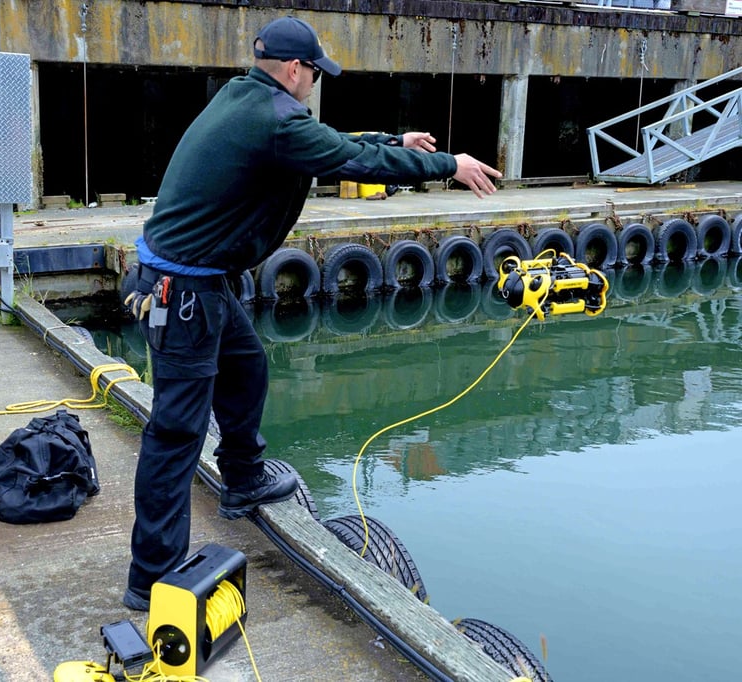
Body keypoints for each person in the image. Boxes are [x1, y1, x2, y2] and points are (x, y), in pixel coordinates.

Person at [122, 15, 503, 611]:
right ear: (296, 70)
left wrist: (393, 141)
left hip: (200, 286)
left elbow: (333, 143)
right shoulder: (275, 122)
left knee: (247, 368)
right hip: (185, 295)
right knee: (175, 436)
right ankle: (152, 581)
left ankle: (244, 479)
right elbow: (350, 162)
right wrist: (449, 165)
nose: (314, 84)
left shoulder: (245, 97)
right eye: (316, 74)